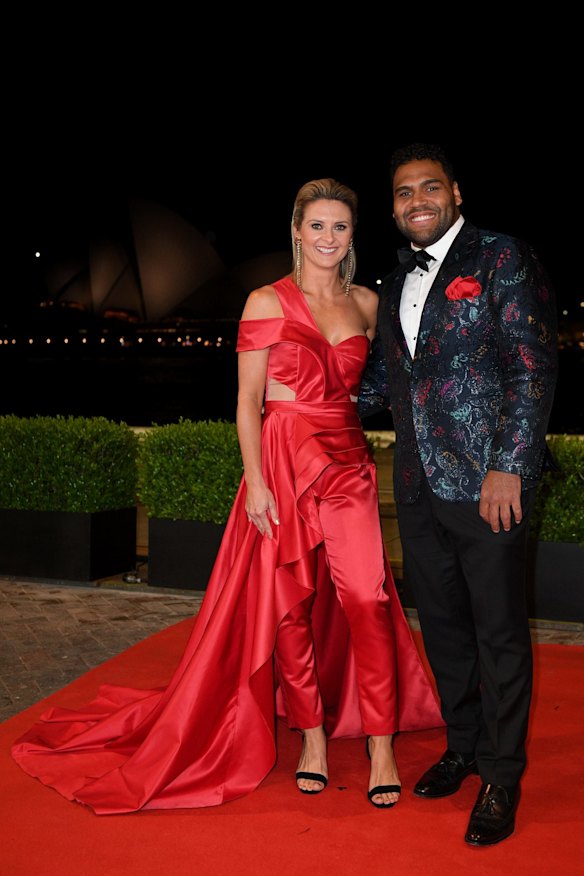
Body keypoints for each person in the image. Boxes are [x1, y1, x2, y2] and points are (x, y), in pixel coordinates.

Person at [12, 178, 443, 814]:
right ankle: (314, 738)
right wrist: (258, 484)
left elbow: (383, 388)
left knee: (369, 599)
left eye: (340, 227)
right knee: (290, 607)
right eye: (316, 226)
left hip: (348, 464)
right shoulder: (265, 300)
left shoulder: (367, 304)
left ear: (354, 235)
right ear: (296, 231)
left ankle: (382, 743)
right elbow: (246, 401)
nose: (328, 238)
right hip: (282, 464)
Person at [358, 143, 558, 845]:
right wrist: (311, 404)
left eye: (429, 188)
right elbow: (388, 383)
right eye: (404, 192)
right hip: (416, 484)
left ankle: (502, 776)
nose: (417, 200)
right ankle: (465, 745)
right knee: (443, 627)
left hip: (486, 487)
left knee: (499, 632)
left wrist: (508, 465)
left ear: (455, 194)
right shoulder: (391, 282)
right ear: (392, 208)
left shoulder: (502, 258)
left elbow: (532, 368)